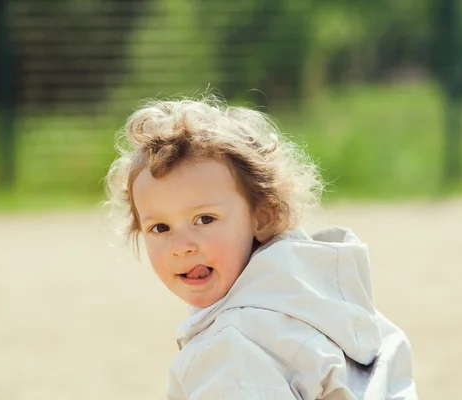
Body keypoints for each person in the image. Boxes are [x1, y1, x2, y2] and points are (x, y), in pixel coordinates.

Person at [105, 94, 418, 399]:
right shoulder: (314, 296)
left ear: (263, 217)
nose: (181, 247)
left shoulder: (230, 350)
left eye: (204, 219)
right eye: (160, 228)